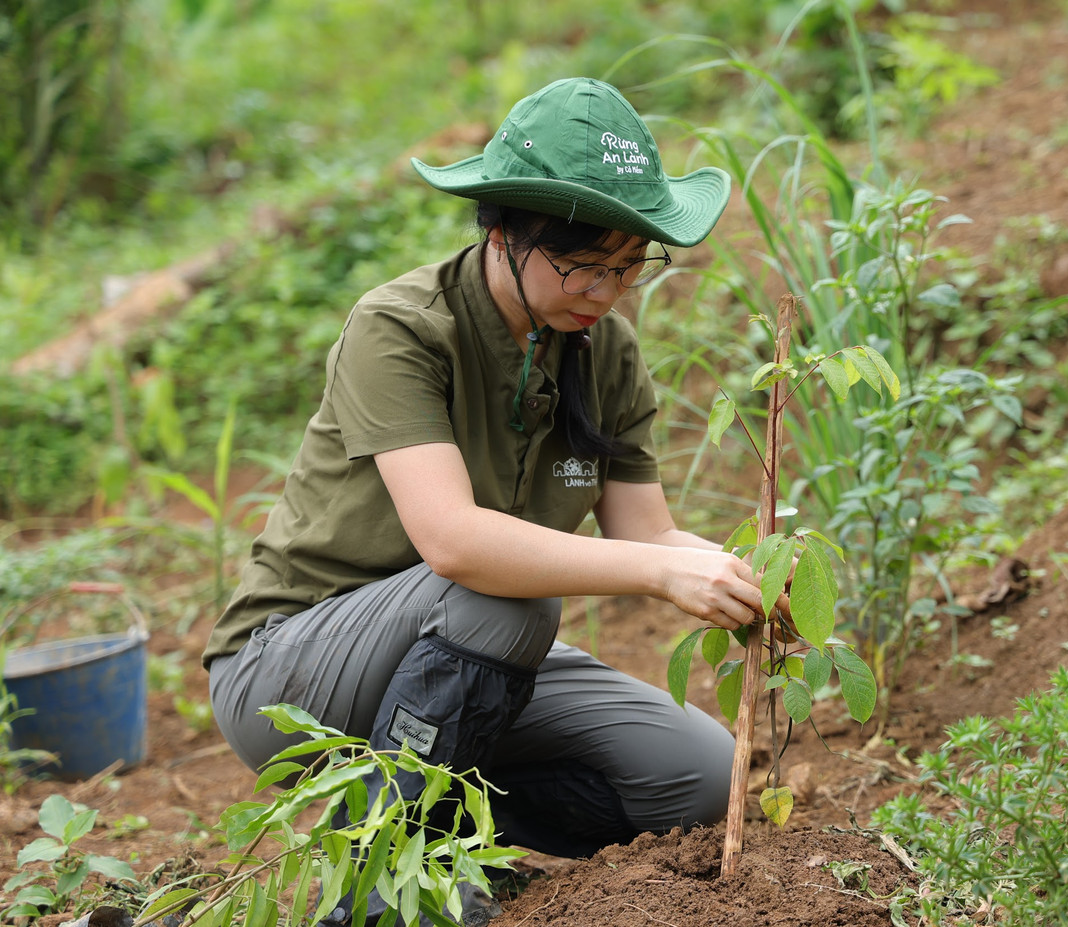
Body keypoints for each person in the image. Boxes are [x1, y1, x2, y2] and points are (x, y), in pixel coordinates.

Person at [203, 77, 779, 926]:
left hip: (466, 655)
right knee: (501, 596)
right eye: (583, 264)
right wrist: (658, 573)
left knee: (696, 775)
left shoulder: (605, 351)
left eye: (629, 266)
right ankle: (390, 877)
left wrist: (745, 573)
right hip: (293, 672)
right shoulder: (402, 327)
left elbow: (649, 532)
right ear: (503, 230)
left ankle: (450, 823)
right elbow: (456, 543)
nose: (606, 291)